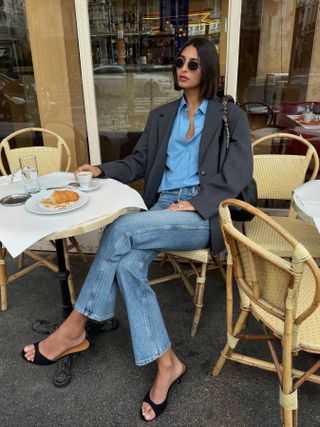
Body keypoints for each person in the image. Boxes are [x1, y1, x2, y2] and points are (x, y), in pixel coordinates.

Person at [22, 37, 252, 422]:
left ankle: (73, 329)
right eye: (179, 61)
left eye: (193, 64)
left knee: (123, 227)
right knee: (127, 263)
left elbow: (237, 174)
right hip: (162, 206)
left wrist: (196, 203)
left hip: (202, 212)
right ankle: (167, 363)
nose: (183, 68)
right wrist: (101, 169)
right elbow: (139, 162)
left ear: (208, 69)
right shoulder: (163, 115)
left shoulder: (231, 116)